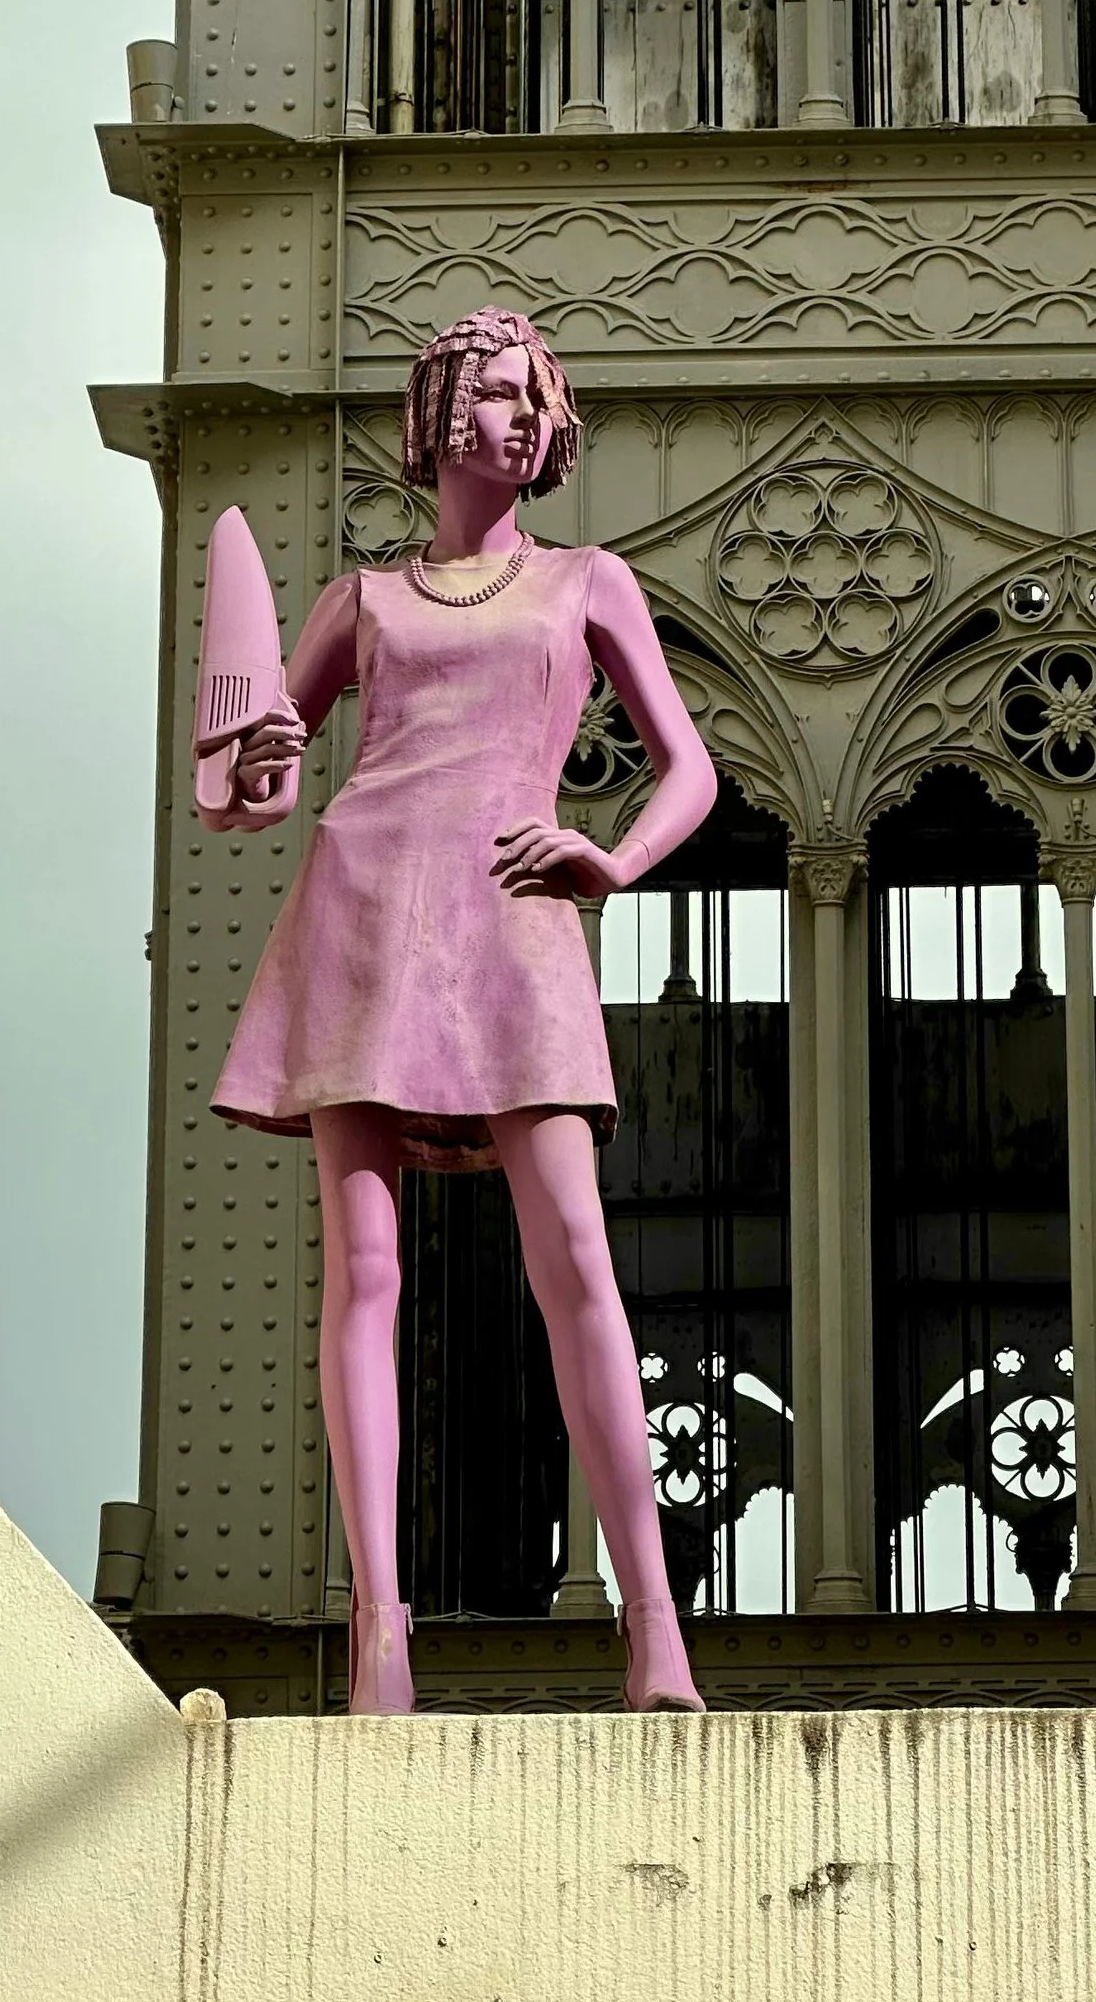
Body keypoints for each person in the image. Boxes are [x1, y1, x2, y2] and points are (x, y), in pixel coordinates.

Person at [208, 307, 717, 1714]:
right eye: (494, 394)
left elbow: (692, 768)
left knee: (576, 1259)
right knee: (363, 1271)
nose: (519, 418)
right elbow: (244, 789)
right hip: (366, 906)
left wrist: (611, 855)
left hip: (515, 908)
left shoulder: (589, 583)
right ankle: (380, 1628)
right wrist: (256, 757)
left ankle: (654, 1627)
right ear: (437, 414)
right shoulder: (360, 604)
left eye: (536, 400)